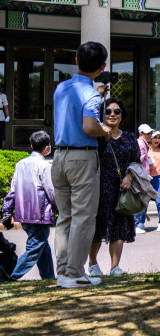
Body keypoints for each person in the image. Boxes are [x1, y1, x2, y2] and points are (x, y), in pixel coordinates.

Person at [52, 41, 110, 289]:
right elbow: (88, 126)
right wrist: (104, 130)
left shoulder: (61, 87)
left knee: (65, 217)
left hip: (59, 155)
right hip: (82, 156)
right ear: (102, 66)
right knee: (84, 217)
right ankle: (75, 273)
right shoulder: (91, 96)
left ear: (76, 61)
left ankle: (63, 271)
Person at [88, 97, 144, 278]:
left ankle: (115, 267)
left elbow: (136, 161)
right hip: (99, 187)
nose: (112, 114)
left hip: (122, 188)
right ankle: (93, 263)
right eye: (108, 111)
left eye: (116, 111)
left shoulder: (129, 137)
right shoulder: (96, 136)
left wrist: (129, 176)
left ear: (122, 115)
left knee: (119, 228)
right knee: (97, 228)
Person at [1, 130, 56, 281]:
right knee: (35, 248)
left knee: (42, 246)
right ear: (47, 148)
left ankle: (49, 278)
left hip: (23, 214)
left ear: (31, 145)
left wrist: (6, 211)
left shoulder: (20, 164)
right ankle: (10, 278)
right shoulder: (45, 166)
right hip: (40, 214)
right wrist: (61, 208)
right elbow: (51, 191)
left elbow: (13, 190)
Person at [134, 123, 154, 234]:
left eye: (150, 133)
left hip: (143, 176)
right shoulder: (141, 144)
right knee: (142, 201)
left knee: (143, 201)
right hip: (142, 177)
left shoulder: (143, 143)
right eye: (148, 133)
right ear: (141, 134)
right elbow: (139, 160)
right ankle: (135, 225)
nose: (150, 135)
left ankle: (138, 224)